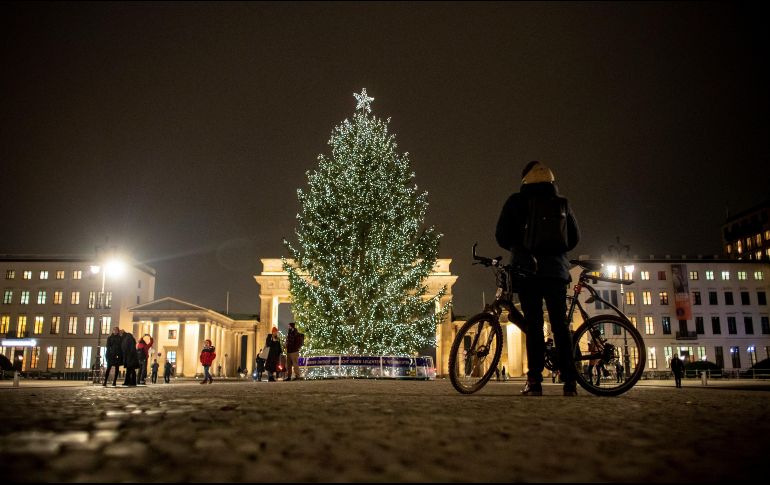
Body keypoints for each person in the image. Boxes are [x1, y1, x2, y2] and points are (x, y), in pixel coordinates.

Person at [495, 161, 580, 396]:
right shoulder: (561, 202)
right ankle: (570, 381)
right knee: (560, 325)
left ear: (525, 180)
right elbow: (574, 238)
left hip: (527, 270)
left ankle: (534, 380)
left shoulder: (516, 201)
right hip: (556, 272)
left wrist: (519, 245)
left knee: (533, 326)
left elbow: (501, 236)